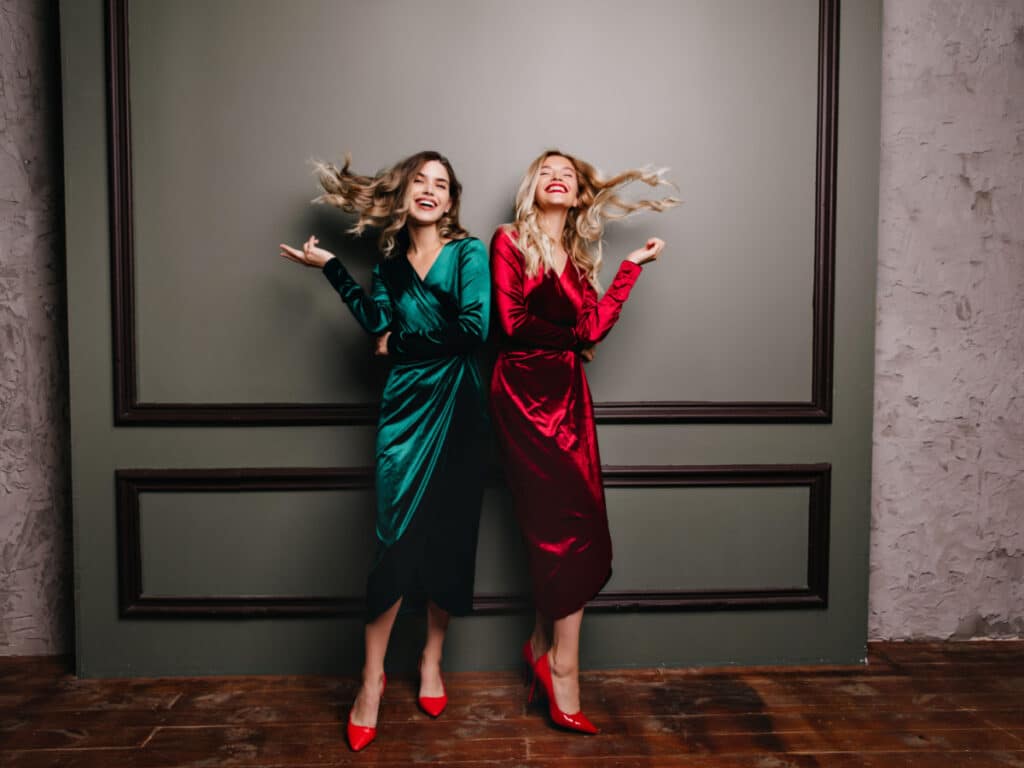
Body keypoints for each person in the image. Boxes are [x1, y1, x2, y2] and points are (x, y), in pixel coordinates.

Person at [279, 150, 490, 751]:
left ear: (451, 201)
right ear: (404, 195)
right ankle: (369, 681)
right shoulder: (389, 262)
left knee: (451, 538)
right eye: (419, 181)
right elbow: (374, 318)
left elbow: (476, 329)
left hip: (461, 412)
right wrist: (330, 269)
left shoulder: (469, 253)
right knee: (395, 540)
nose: (429, 190)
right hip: (405, 413)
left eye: (440, 184)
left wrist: (397, 341)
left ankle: (430, 661)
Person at [489, 150, 679, 734]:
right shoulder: (507, 240)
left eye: (567, 174)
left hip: (569, 396)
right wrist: (570, 335)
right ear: (533, 185)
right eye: (547, 170)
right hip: (522, 395)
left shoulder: (576, 258)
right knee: (563, 528)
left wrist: (629, 268)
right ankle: (563, 669)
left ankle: (541, 647)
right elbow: (511, 322)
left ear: (576, 196)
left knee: (574, 523)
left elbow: (592, 330)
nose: (557, 177)